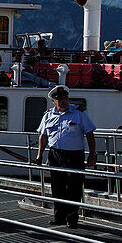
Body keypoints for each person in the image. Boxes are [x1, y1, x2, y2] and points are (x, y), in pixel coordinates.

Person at [35, 86, 97, 228]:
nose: (63, 101)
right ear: (53, 101)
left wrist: (92, 154)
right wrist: (39, 155)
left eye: (65, 98)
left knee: (74, 187)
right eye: (59, 99)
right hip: (55, 154)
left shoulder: (79, 113)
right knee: (57, 186)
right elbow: (43, 136)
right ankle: (59, 216)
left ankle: (72, 217)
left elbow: (89, 133)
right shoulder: (48, 115)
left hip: (74, 155)